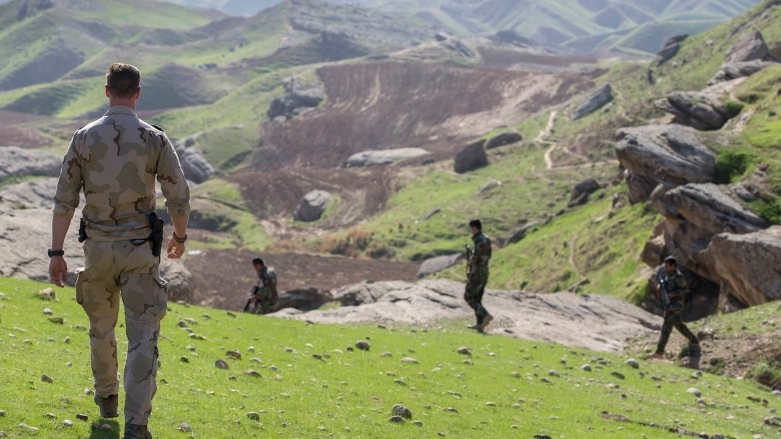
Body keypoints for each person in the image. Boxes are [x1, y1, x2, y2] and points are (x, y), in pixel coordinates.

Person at [48, 63, 190, 439]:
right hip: (140, 250)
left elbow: (64, 201)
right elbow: (178, 195)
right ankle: (136, 424)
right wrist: (180, 236)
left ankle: (106, 399)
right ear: (138, 93)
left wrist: (56, 253)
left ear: (107, 91)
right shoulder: (155, 139)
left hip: (97, 249)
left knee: (101, 328)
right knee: (143, 335)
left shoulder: (83, 138)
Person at [648, 256, 700, 367]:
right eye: (665, 266)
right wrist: (661, 288)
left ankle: (659, 352)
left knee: (666, 327)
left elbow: (684, 290)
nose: (666, 268)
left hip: (676, 305)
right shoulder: (668, 275)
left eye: (668, 266)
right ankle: (694, 340)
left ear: (673, 266)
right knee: (678, 325)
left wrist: (673, 294)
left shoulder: (678, 277)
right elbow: (666, 286)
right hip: (669, 305)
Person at [465, 219, 493, 332]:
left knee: (469, 296)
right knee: (477, 298)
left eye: (471, 228)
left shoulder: (478, 240)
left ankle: (485, 315)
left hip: (476, 272)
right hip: (484, 271)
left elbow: (476, 256)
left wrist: (470, 260)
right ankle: (480, 323)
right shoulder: (487, 239)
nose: (471, 231)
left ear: (474, 228)